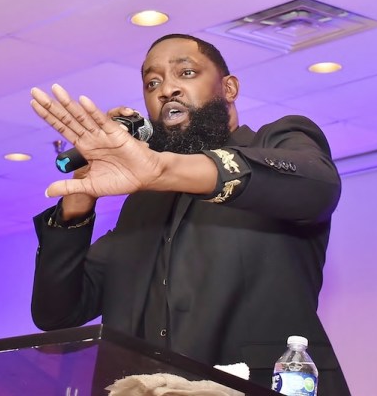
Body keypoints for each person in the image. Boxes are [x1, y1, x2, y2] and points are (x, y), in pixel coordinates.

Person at [29, 34, 350, 394]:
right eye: (152, 83)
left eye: (186, 73)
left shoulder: (276, 141)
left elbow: (316, 185)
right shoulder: (143, 204)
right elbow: (57, 314)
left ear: (229, 88)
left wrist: (163, 169)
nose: (167, 90)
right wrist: (80, 197)